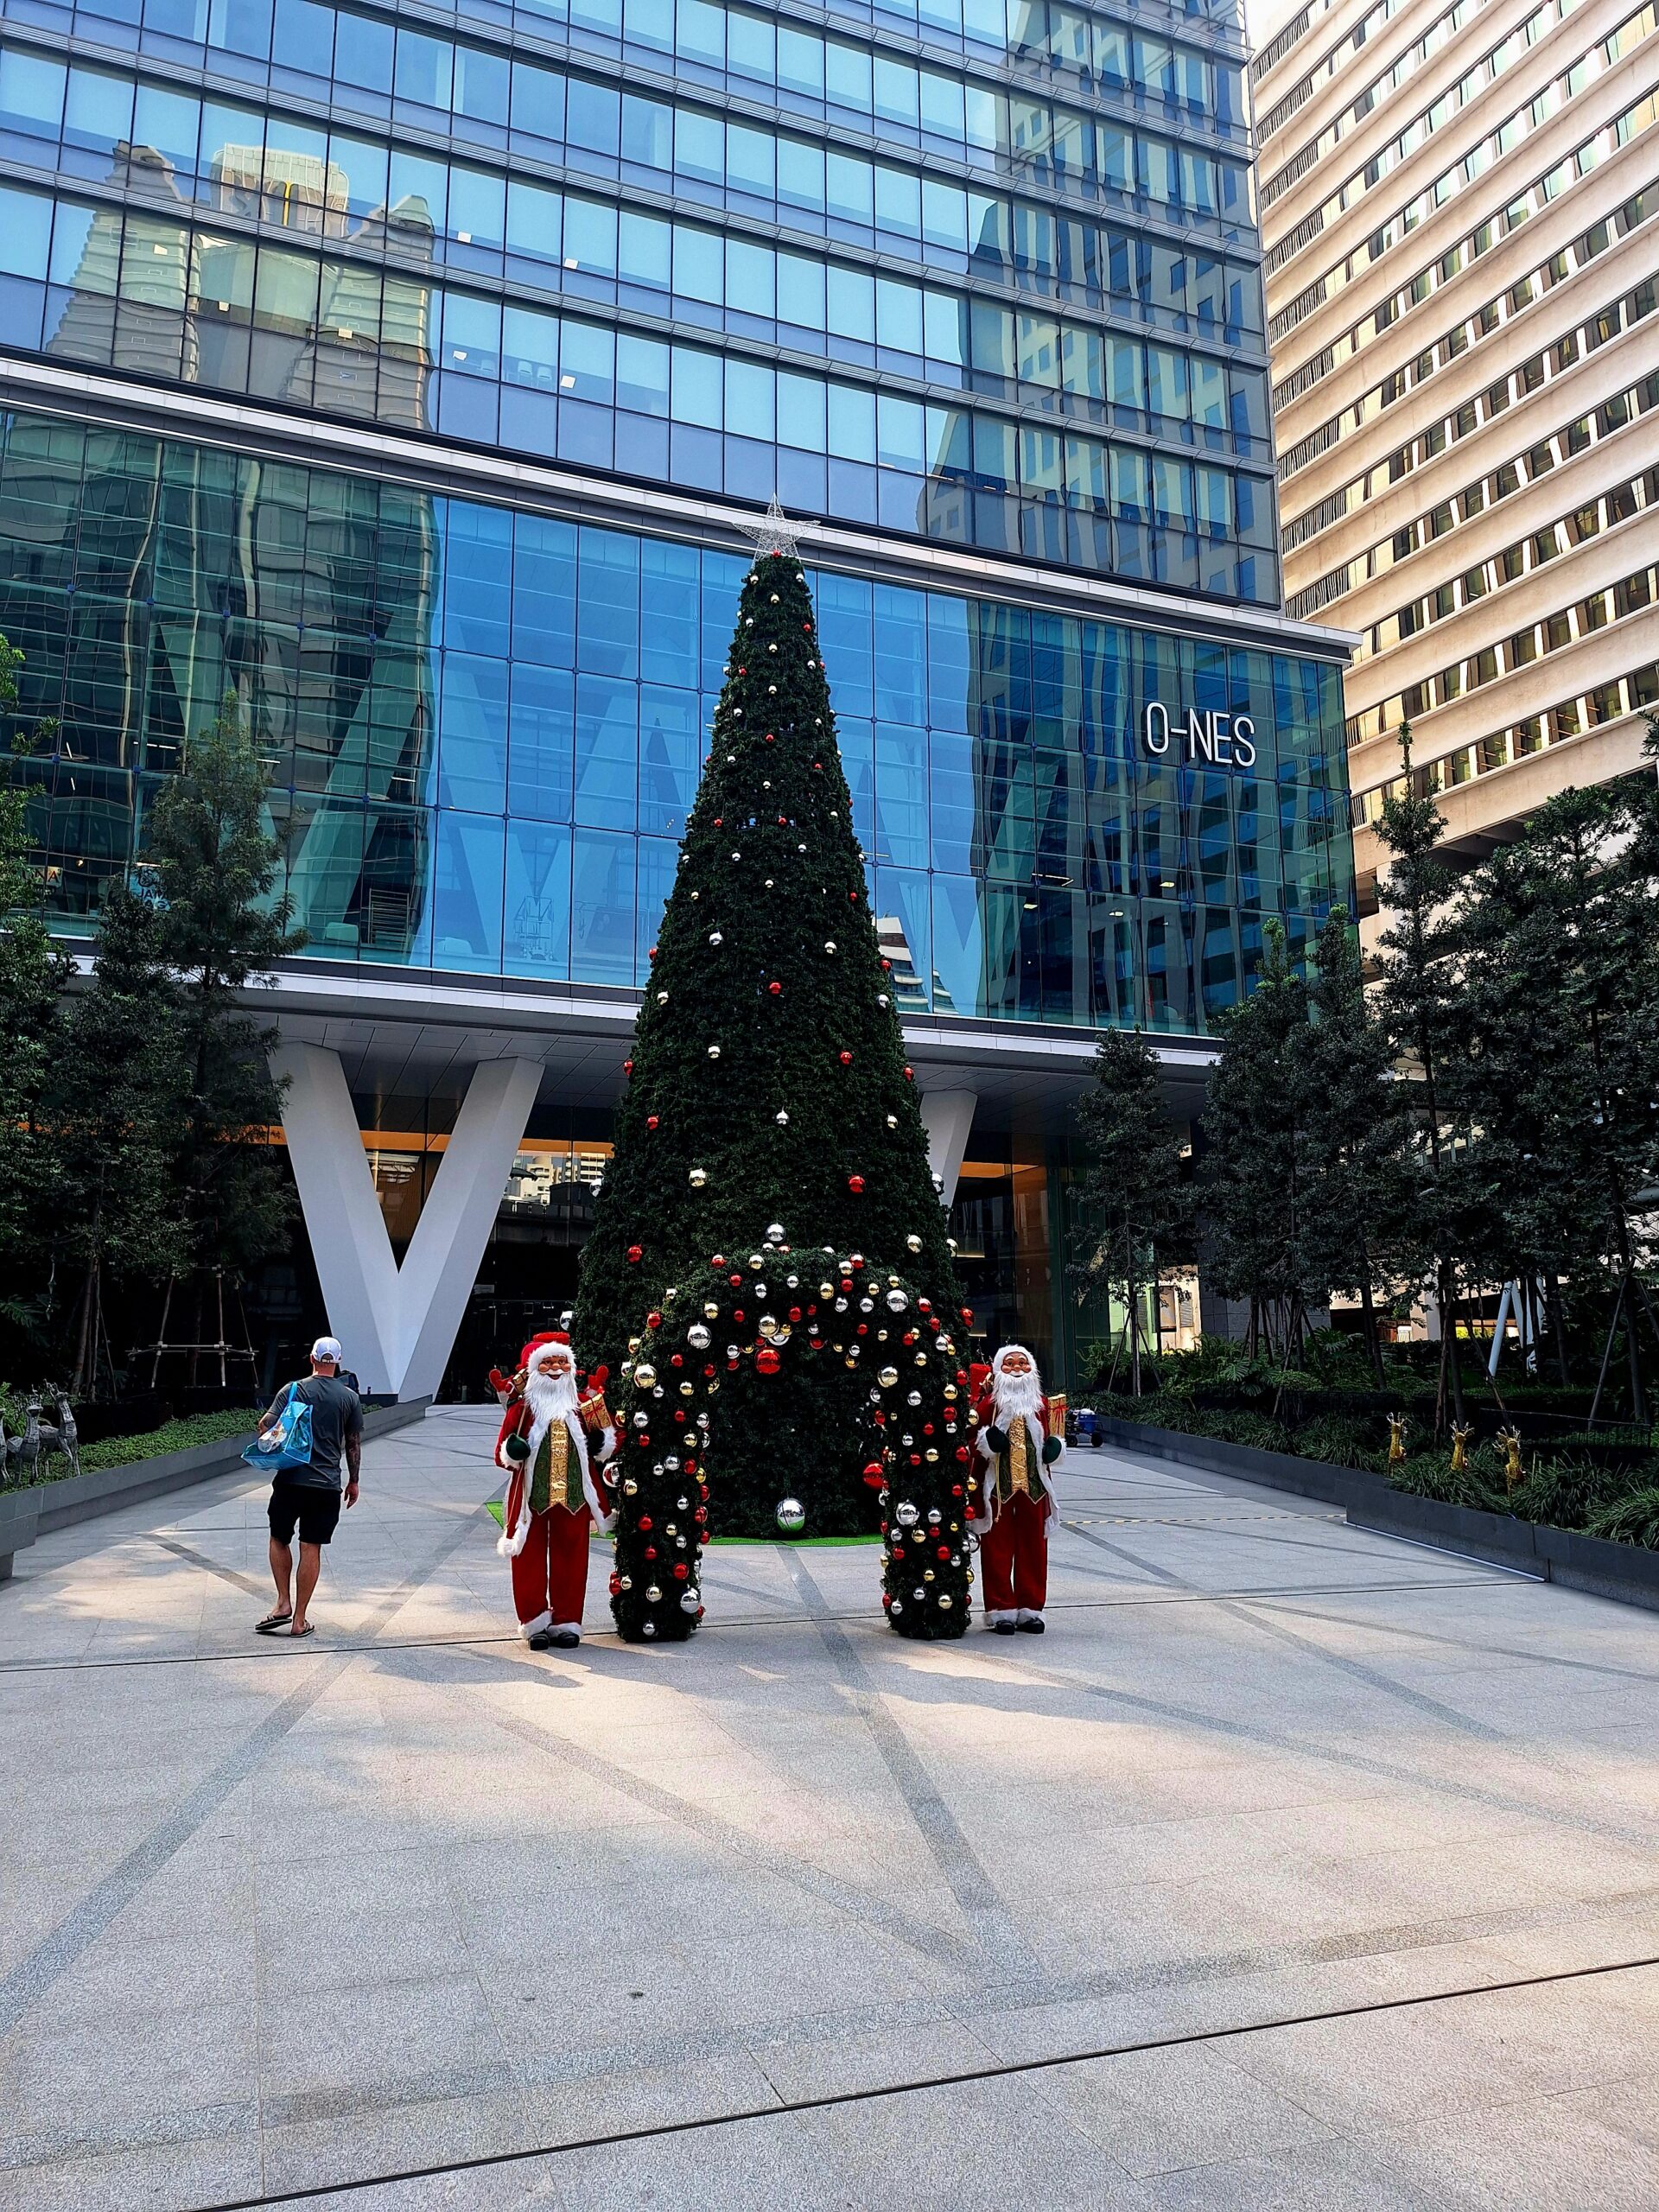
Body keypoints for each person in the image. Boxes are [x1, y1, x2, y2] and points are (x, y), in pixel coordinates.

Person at [493, 1332, 616, 1649]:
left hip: (574, 1499)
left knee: (572, 1559)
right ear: (534, 1370)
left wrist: (602, 1442)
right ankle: (533, 1620)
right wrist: (513, 1451)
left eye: (562, 1362)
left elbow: (609, 1439)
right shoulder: (521, 1410)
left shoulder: (583, 1404)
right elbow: (501, 1454)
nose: (556, 1369)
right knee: (527, 1559)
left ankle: (567, 1621)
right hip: (531, 1500)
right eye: (547, 1364)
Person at [254, 1335, 363, 1639]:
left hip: (290, 1480)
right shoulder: (349, 1398)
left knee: (279, 1538)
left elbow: (265, 1424)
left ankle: (282, 1603)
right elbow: (353, 1443)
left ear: (312, 1358)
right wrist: (354, 1481)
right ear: (338, 1362)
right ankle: (299, 1620)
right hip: (326, 1485)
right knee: (310, 1547)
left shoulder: (293, 1389)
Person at [970, 1343, 1064, 1634]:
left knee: (1034, 1548)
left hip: (1034, 1488)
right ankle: (1001, 1609)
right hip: (998, 1488)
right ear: (999, 1369)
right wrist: (987, 1442)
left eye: (1022, 1363)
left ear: (1032, 1369)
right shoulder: (988, 1406)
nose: (1017, 1369)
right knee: (997, 1548)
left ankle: (1031, 1609)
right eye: (1010, 1364)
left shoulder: (1042, 1405)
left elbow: (1052, 1438)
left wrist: (1054, 1449)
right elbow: (972, 1440)